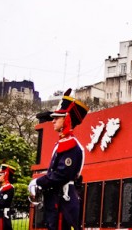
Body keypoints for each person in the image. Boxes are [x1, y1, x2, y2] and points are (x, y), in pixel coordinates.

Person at [29, 89, 89, 230]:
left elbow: (61, 175)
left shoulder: (70, 145)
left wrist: (38, 181)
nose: (53, 121)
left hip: (63, 201)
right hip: (57, 200)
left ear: (67, 119)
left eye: (57, 117)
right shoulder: (63, 143)